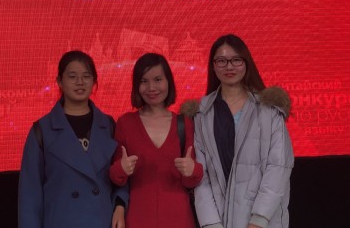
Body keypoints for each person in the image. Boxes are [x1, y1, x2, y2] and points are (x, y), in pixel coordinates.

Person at [191, 34, 294, 228]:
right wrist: (211, 224)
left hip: (264, 222)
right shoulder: (202, 113)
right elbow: (201, 175)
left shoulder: (269, 110)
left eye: (236, 60)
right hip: (220, 221)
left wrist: (258, 220)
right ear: (213, 66)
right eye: (221, 61)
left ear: (246, 63)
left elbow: (278, 167)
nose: (229, 67)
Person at [18, 51, 128, 228]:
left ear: (94, 81)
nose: (80, 82)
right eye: (72, 76)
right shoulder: (42, 130)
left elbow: (122, 176)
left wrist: (120, 205)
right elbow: (30, 196)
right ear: (59, 81)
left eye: (86, 76)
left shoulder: (109, 125)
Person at [110, 53, 203, 228]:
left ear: (168, 81)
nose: (151, 87)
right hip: (137, 220)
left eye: (158, 79)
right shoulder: (125, 123)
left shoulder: (184, 124)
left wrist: (192, 170)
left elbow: (192, 181)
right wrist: (121, 169)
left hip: (179, 219)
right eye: (144, 81)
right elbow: (117, 178)